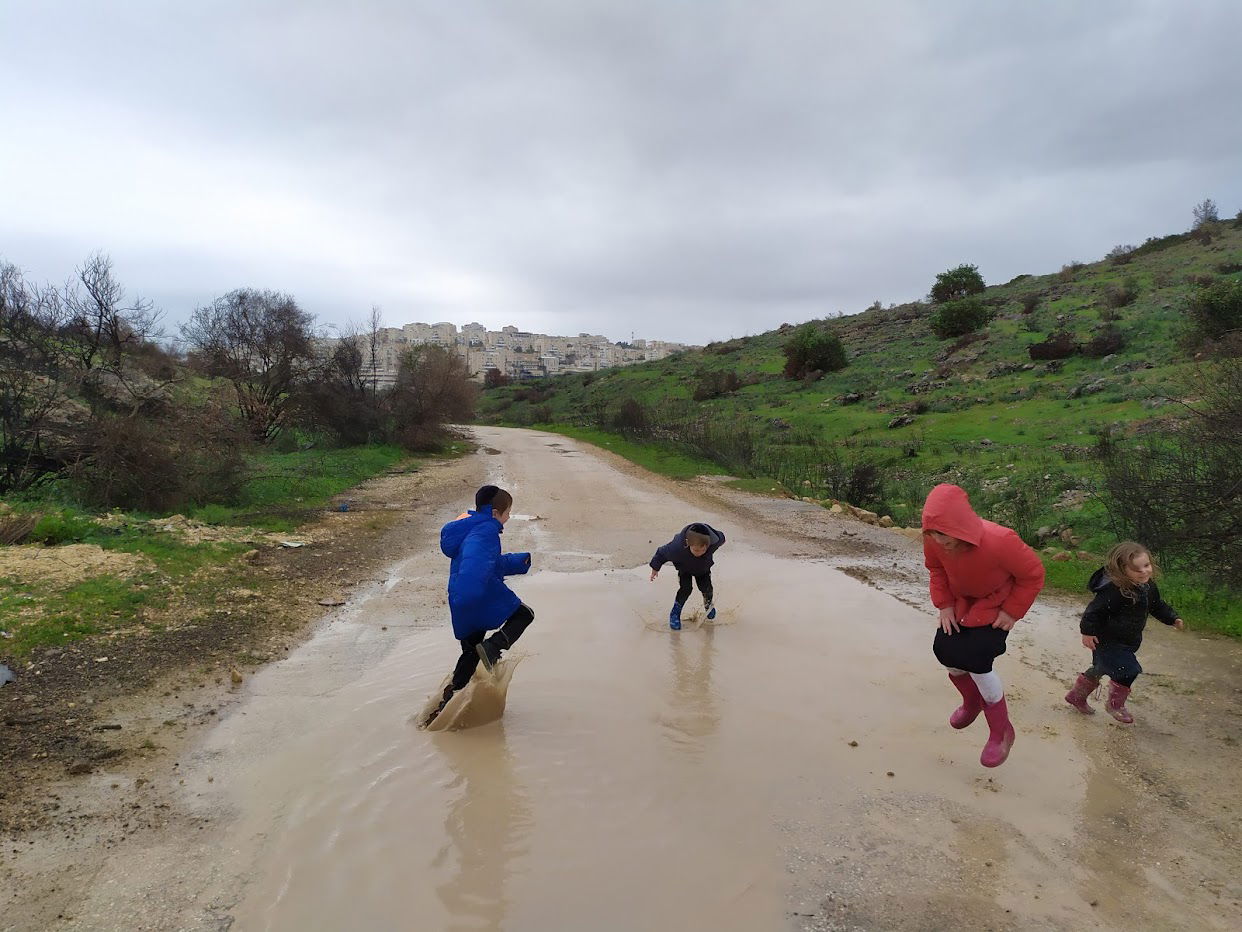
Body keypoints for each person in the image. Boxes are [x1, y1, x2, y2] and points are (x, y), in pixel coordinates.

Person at [922, 484, 1045, 768]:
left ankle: (1001, 731)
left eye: (945, 534)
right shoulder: (933, 538)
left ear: (962, 526)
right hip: (960, 603)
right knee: (945, 650)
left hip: (995, 604)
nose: (939, 541)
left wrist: (1012, 612)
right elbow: (936, 569)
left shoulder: (1001, 540)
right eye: (933, 534)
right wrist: (945, 605)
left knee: (977, 659)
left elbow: (1033, 575)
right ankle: (972, 702)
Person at [424, 486, 533, 727]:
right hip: (474, 597)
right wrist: (473, 596)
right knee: (525, 614)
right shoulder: (486, 531)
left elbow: (487, 563)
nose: (509, 517)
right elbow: (475, 566)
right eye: (507, 512)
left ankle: (445, 706)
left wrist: (518, 562)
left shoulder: (471, 528)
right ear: (495, 512)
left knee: (470, 652)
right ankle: (493, 647)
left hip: (462, 600)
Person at [1064, 541, 1185, 724]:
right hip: (1106, 640)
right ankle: (1115, 705)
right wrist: (1087, 632)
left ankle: (1076, 696)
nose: (1144, 571)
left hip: (1128, 641)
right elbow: (1094, 611)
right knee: (1128, 670)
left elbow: (1157, 606)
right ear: (1122, 570)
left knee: (1102, 667)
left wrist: (1172, 618)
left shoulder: (1148, 587)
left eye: (1146, 565)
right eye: (1137, 569)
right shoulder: (1114, 591)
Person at [649, 522, 726, 630]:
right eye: (696, 550)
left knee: (706, 588)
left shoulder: (713, 543)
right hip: (685, 570)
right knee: (686, 589)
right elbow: (661, 553)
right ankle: (675, 613)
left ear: (708, 545)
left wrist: (722, 540)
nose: (700, 553)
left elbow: (721, 537)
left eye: (704, 550)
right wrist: (655, 568)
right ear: (687, 543)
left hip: (703, 570)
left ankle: (708, 605)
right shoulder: (676, 548)